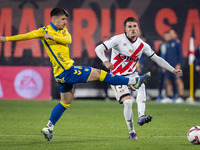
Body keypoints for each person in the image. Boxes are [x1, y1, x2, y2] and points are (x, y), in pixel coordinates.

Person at [0, 8, 152, 141]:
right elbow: (26, 36)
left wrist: (54, 38)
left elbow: (69, 39)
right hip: (67, 71)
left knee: (66, 101)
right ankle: (134, 80)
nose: (65, 22)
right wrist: (5, 39)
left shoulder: (62, 31)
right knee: (99, 73)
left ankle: (48, 128)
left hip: (60, 75)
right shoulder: (43, 31)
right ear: (54, 19)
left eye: (66, 19)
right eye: (63, 19)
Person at [95, 17, 183, 139]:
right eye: (129, 26)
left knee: (141, 83)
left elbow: (157, 59)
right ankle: (131, 132)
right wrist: (105, 61)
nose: (132, 29)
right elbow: (98, 48)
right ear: (125, 29)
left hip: (132, 75)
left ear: (138, 28)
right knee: (128, 102)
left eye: (135, 26)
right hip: (117, 77)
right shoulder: (117, 40)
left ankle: (141, 115)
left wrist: (173, 69)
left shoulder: (142, 45)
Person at [160, 29, 184, 103]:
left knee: (178, 80)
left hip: (176, 66)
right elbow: (165, 56)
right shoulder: (166, 44)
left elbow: (180, 54)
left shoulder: (177, 43)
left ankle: (181, 96)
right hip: (169, 66)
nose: (171, 35)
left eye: (172, 33)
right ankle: (169, 97)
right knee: (168, 80)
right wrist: (164, 66)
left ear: (175, 34)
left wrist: (178, 64)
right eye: (170, 33)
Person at [155, 31, 171, 101]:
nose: (166, 37)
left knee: (168, 81)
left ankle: (167, 96)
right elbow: (158, 54)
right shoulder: (162, 44)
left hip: (167, 66)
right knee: (160, 81)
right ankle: (160, 95)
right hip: (161, 66)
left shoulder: (171, 45)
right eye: (165, 36)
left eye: (167, 35)